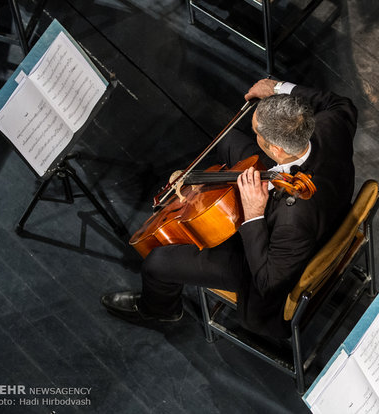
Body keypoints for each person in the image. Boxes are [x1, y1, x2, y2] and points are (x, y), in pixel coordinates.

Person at [101, 79, 357, 337]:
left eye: (256, 132)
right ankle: (216, 193)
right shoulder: (332, 124)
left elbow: (267, 284)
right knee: (228, 140)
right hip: (324, 197)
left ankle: (160, 309)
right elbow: (339, 101)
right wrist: (278, 87)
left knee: (157, 262)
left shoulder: (293, 220)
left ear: (276, 150)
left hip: (267, 257)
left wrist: (254, 214)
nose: (253, 133)